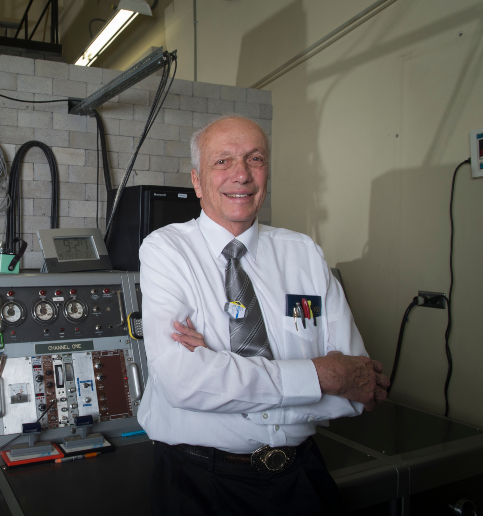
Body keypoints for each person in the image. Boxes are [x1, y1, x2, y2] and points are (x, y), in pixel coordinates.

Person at [137, 115, 389, 515]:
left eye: (255, 159)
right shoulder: (166, 250)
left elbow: (356, 389)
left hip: (300, 478)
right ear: (198, 181)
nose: (241, 175)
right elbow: (183, 384)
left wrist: (222, 372)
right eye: (222, 161)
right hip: (198, 483)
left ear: (266, 172)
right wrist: (320, 375)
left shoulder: (303, 253)